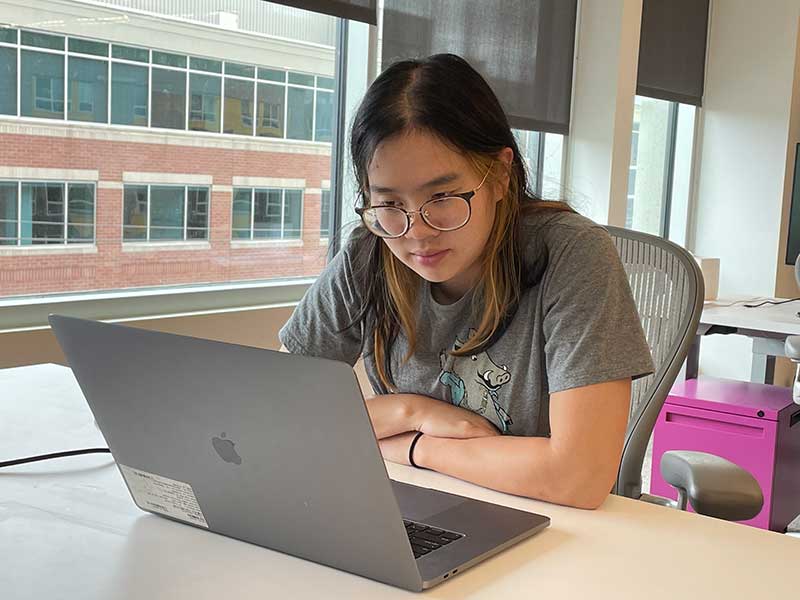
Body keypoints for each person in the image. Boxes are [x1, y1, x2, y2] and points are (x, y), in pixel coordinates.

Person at [279, 53, 654, 509]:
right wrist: (411, 411)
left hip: (548, 523)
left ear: (498, 174)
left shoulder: (572, 255)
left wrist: (415, 447)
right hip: (406, 505)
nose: (417, 230)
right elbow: (279, 411)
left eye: (442, 197)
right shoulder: (369, 250)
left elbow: (579, 476)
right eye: (389, 203)